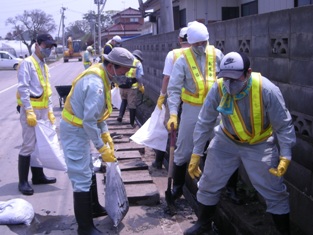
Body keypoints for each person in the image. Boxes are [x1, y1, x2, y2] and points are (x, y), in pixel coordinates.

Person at [184, 52, 296, 235]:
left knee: (274, 190)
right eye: (225, 78)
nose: (230, 84)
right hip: (226, 140)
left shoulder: (266, 90)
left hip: (259, 144)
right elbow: (205, 121)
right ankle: (203, 224)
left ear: (248, 72)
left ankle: (284, 232)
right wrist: (196, 152)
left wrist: (286, 155)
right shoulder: (219, 88)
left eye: (235, 79)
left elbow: (283, 125)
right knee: (208, 182)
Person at [59, 47, 135, 235]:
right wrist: (102, 146)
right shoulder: (96, 84)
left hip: (82, 127)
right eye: (123, 71)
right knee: (81, 176)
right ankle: (85, 228)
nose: (124, 76)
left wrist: (106, 134)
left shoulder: (103, 75)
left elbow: (97, 116)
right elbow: (89, 121)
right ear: (111, 66)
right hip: (75, 130)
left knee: (88, 169)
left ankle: (92, 208)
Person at [166, 21, 224, 201]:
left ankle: (225, 188)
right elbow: (174, 89)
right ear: (190, 42)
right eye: (196, 44)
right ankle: (178, 187)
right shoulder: (183, 59)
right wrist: (174, 113)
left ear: (208, 40)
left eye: (203, 43)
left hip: (216, 108)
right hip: (192, 109)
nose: (200, 47)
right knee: (183, 148)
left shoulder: (217, 54)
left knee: (221, 147)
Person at [16, 33, 58, 196]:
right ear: (37, 45)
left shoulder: (44, 65)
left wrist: (50, 111)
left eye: (50, 47)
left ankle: (38, 176)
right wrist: (28, 111)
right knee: (28, 144)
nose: (48, 49)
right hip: (31, 111)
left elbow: (46, 90)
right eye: (46, 46)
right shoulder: (27, 63)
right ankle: (23, 182)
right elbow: (23, 88)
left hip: (42, 111)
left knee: (40, 144)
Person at [152, 26, 190, 169]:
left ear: (180, 39)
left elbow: (167, 78)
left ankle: (159, 162)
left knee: (169, 130)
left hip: (176, 98)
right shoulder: (201, 54)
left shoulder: (173, 54)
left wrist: (162, 96)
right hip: (195, 100)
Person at [117, 49, 144, 127]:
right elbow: (139, 76)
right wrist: (141, 85)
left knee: (124, 100)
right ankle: (132, 123)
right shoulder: (138, 63)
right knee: (132, 104)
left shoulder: (125, 60)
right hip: (132, 87)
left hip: (122, 86)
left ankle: (120, 116)